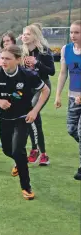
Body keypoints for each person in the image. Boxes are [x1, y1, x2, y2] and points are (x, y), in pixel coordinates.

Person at [0, 45, 50, 200]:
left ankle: (26, 187)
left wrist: (35, 110)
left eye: (8, 59)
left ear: (18, 60)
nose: (3, 61)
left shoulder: (28, 75)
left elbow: (45, 90)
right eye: (2, 58)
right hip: (4, 119)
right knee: (7, 150)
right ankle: (19, 162)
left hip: (22, 118)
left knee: (19, 151)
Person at [22, 24, 55, 165]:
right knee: (36, 121)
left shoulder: (44, 52)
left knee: (30, 114)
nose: (24, 36)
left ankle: (34, 149)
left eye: (28, 34)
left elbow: (51, 71)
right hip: (29, 89)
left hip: (43, 88)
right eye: (23, 33)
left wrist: (37, 63)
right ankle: (44, 155)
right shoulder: (22, 52)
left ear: (35, 36)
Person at [54, 20, 81, 180]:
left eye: (77, 32)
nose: (73, 35)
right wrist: (58, 95)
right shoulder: (66, 50)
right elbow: (63, 73)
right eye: (71, 32)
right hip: (72, 97)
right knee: (71, 129)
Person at [0, 31, 17, 148]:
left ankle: (16, 138)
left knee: (15, 111)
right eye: (4, 41)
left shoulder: (18, 54)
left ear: (13, 41)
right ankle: (5, 139)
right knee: (3, 113)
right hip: (2, 88)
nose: (6, 43)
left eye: (8, 40)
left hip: (16, 88)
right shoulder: (0, 56)